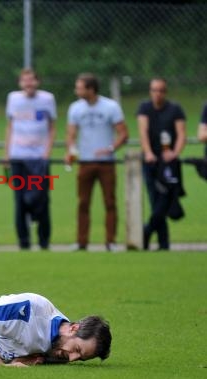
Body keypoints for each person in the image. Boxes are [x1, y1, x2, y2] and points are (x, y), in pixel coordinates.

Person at [65, 73, 128, 252]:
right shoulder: (75, 108)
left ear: (91, 89)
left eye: (79, 87)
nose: (76, 91)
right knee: (83, 203)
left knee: (109, 202)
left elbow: (123, 134)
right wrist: (70, 150)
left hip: (106, 163)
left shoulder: (111, 107)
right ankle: (81, 241)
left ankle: (111, 241)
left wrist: (110, 148)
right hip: (84, 162)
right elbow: (70, 134)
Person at [5, 69, 56, 250]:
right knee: (20, 202)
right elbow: (10, 127)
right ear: (20, 83)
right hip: (18, 157)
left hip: (39, 158)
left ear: (37, 82)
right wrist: (7, 154)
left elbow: (52, 127)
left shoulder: (47, 99)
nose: (28, 84)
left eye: (31, 80)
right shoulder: (13, 99)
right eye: (24, 80)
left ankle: (44, 241)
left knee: (42, 200)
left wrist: (47, 153)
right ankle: (24, 242)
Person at [137, 78, 186, 251]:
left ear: (165, 92)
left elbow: (181, 133)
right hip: (151, 162)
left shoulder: (174, 109)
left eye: (160, 90)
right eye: (154, 90)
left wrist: (175, 153)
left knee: (165, 200)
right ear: (150, 91)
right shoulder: (145, 108)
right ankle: (163, 244)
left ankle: (147, 230)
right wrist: (148, 152)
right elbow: (142, 131)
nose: (157, 94)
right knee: (155, 199)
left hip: (169, 164)